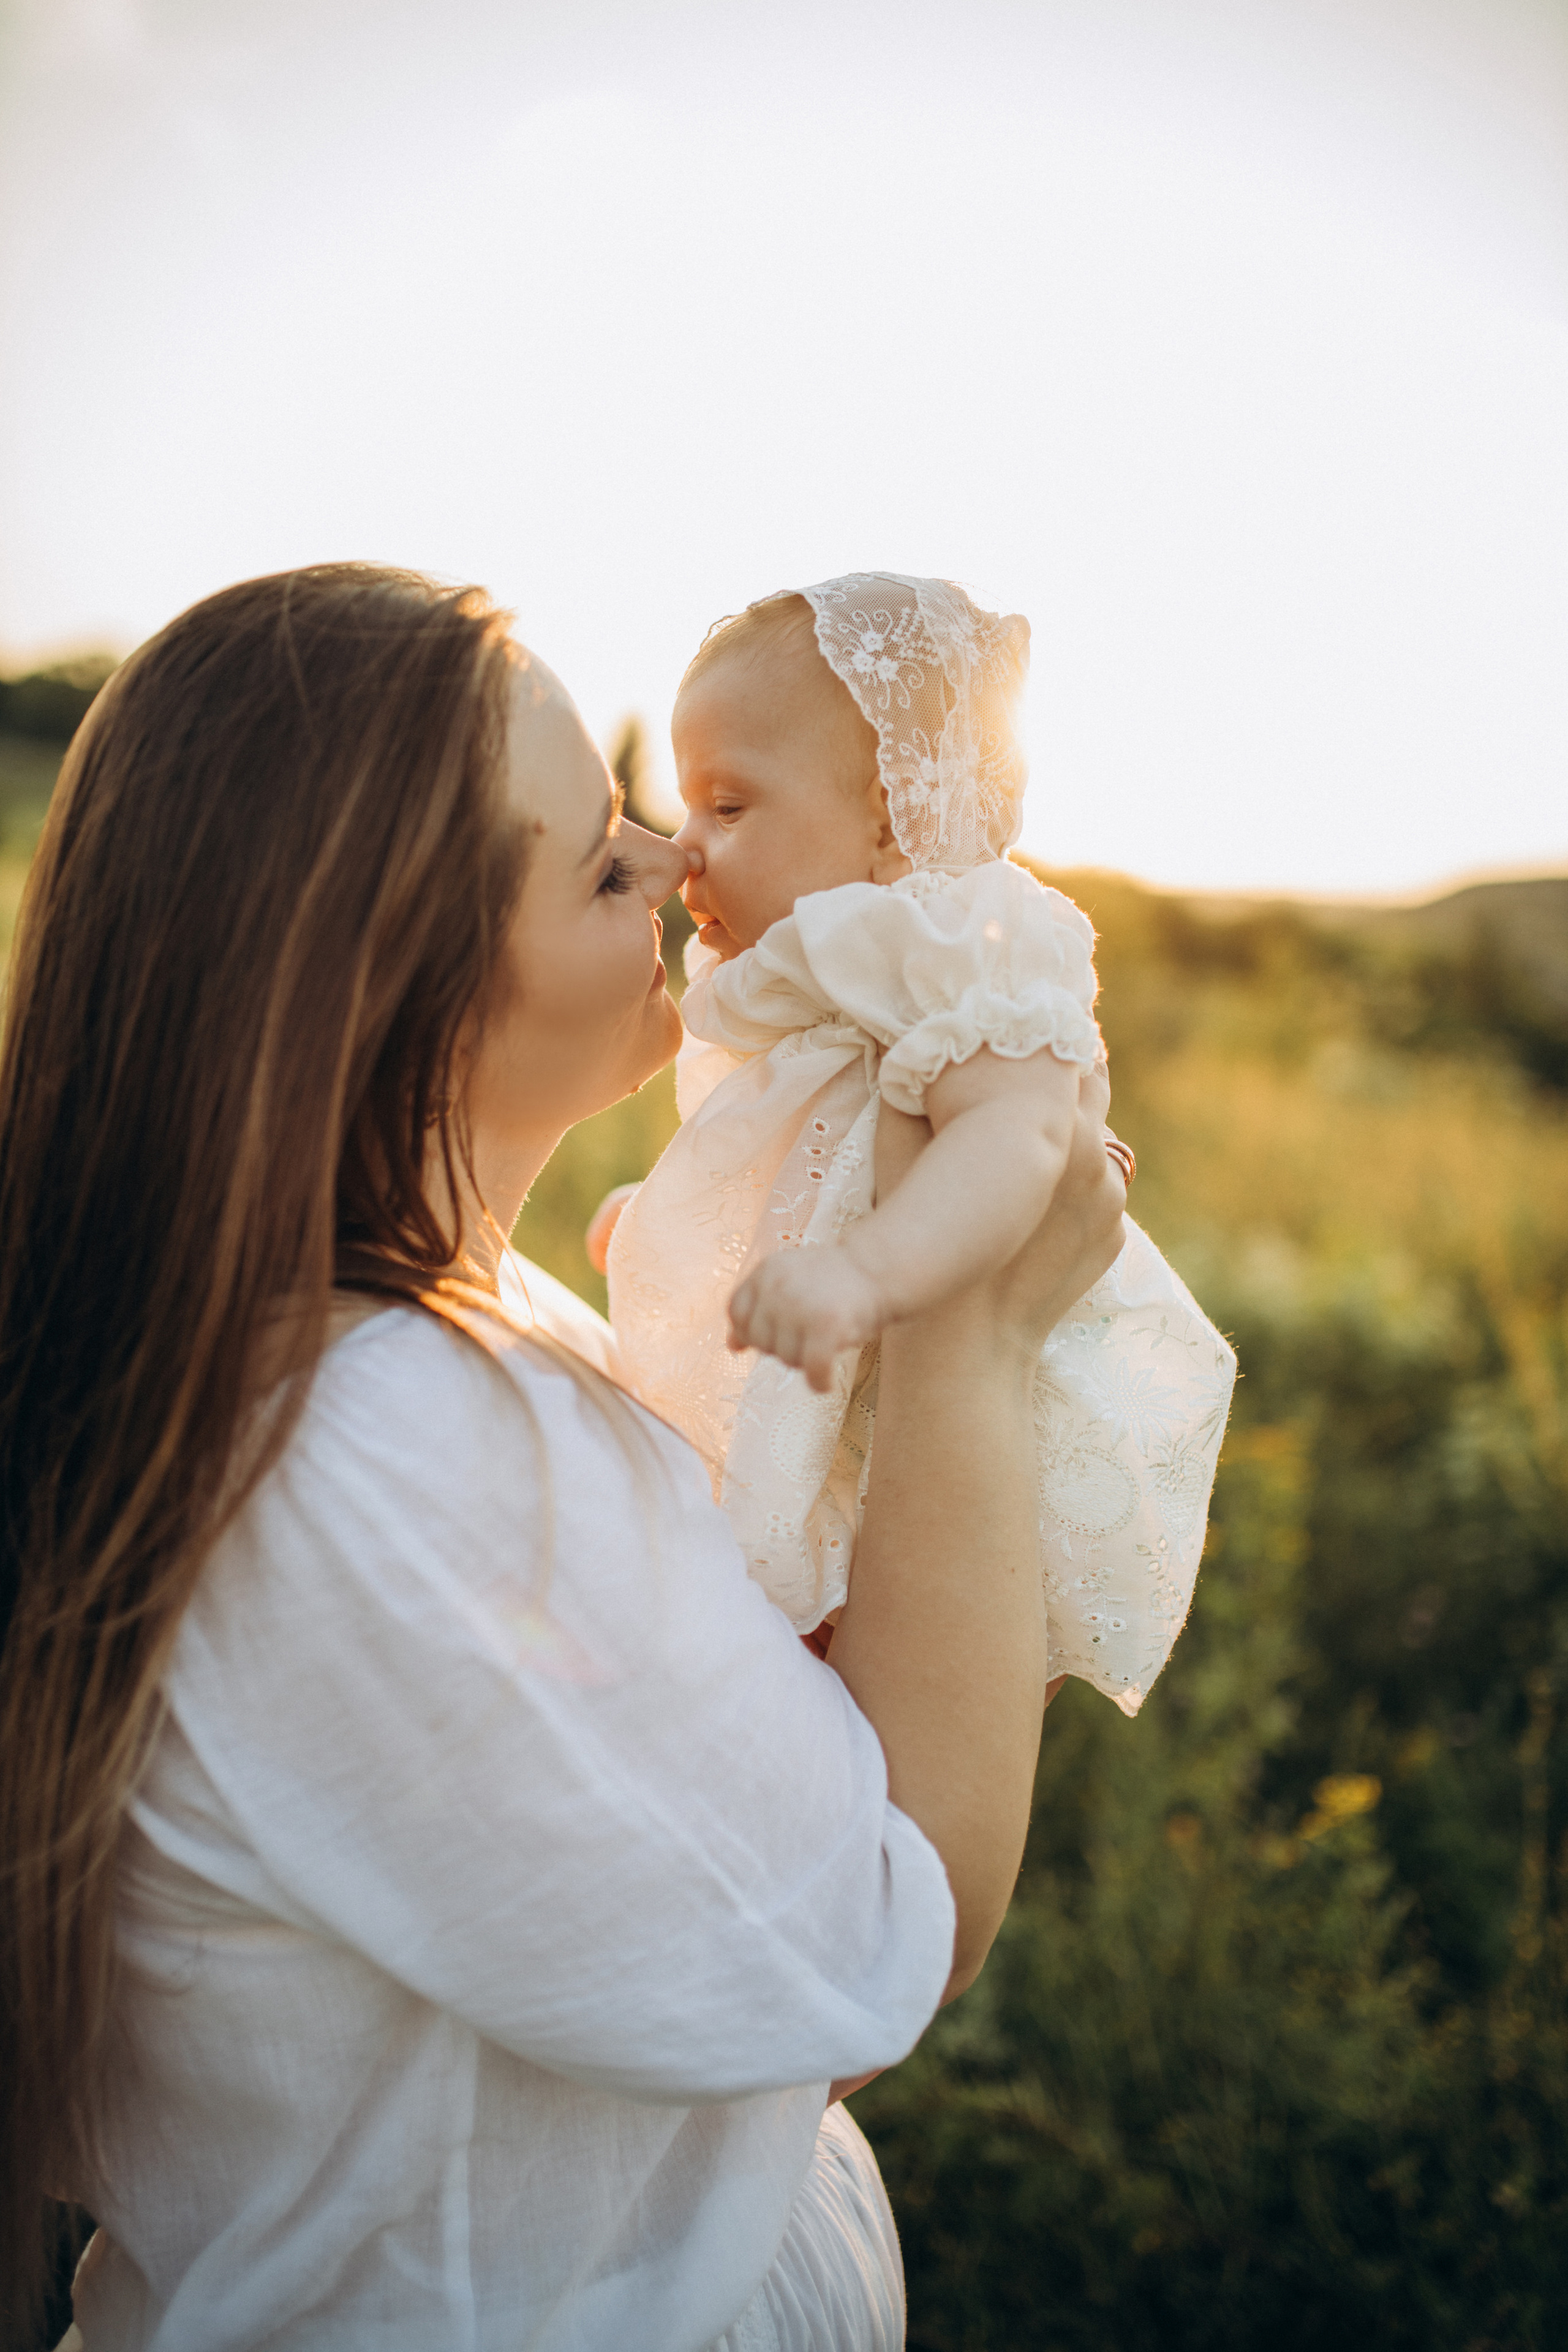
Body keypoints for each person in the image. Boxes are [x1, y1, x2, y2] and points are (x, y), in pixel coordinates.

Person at [0, 564, 1128, 2352]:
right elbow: (892, 1919)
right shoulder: (389, 1456)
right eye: (603, 860)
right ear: (385, 987)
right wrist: (969, 1344)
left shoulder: (431, 1345)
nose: (681, 869)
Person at [605, 576, 1237, 1714]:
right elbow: (791, 1154)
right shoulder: (820, 964)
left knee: (891, 1664)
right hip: (844, 1379)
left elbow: (1021, 1133)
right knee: (785, 1645)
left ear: (893, 818)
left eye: (731, 808)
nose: (686, 849)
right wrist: (668, 1226)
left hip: (932, 1387)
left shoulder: (960, 934)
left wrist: (866, 1271)